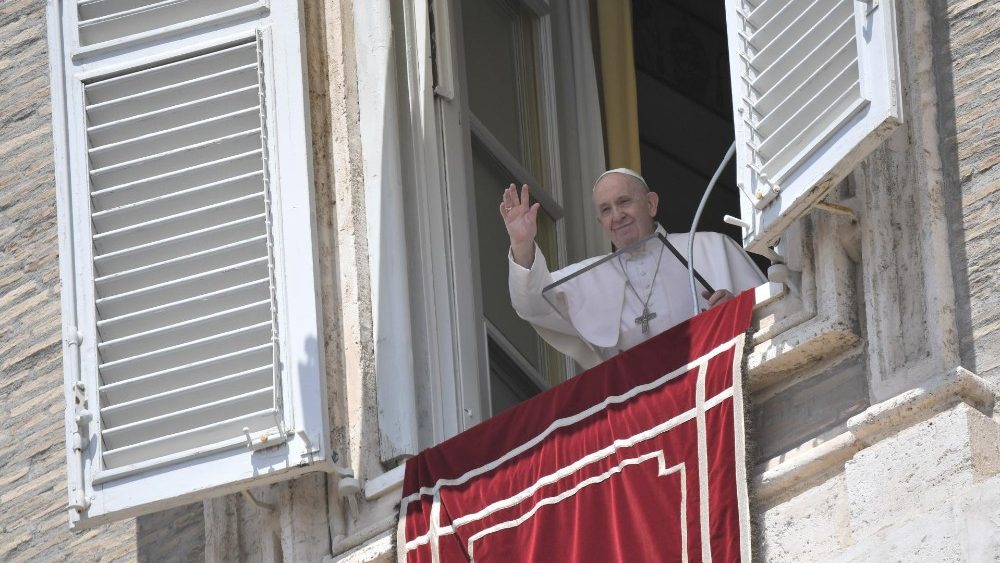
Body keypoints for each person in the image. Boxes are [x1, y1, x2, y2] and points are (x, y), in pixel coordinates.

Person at [501, 168, 765, 369]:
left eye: (624, 202)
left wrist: (737, 310)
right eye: (606, 210)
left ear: (650, 204)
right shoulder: (591, 276)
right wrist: (522, 243)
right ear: (600, 222)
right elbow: (533, 304)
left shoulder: (711, 247)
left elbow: (774, 309)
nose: (616, 216)